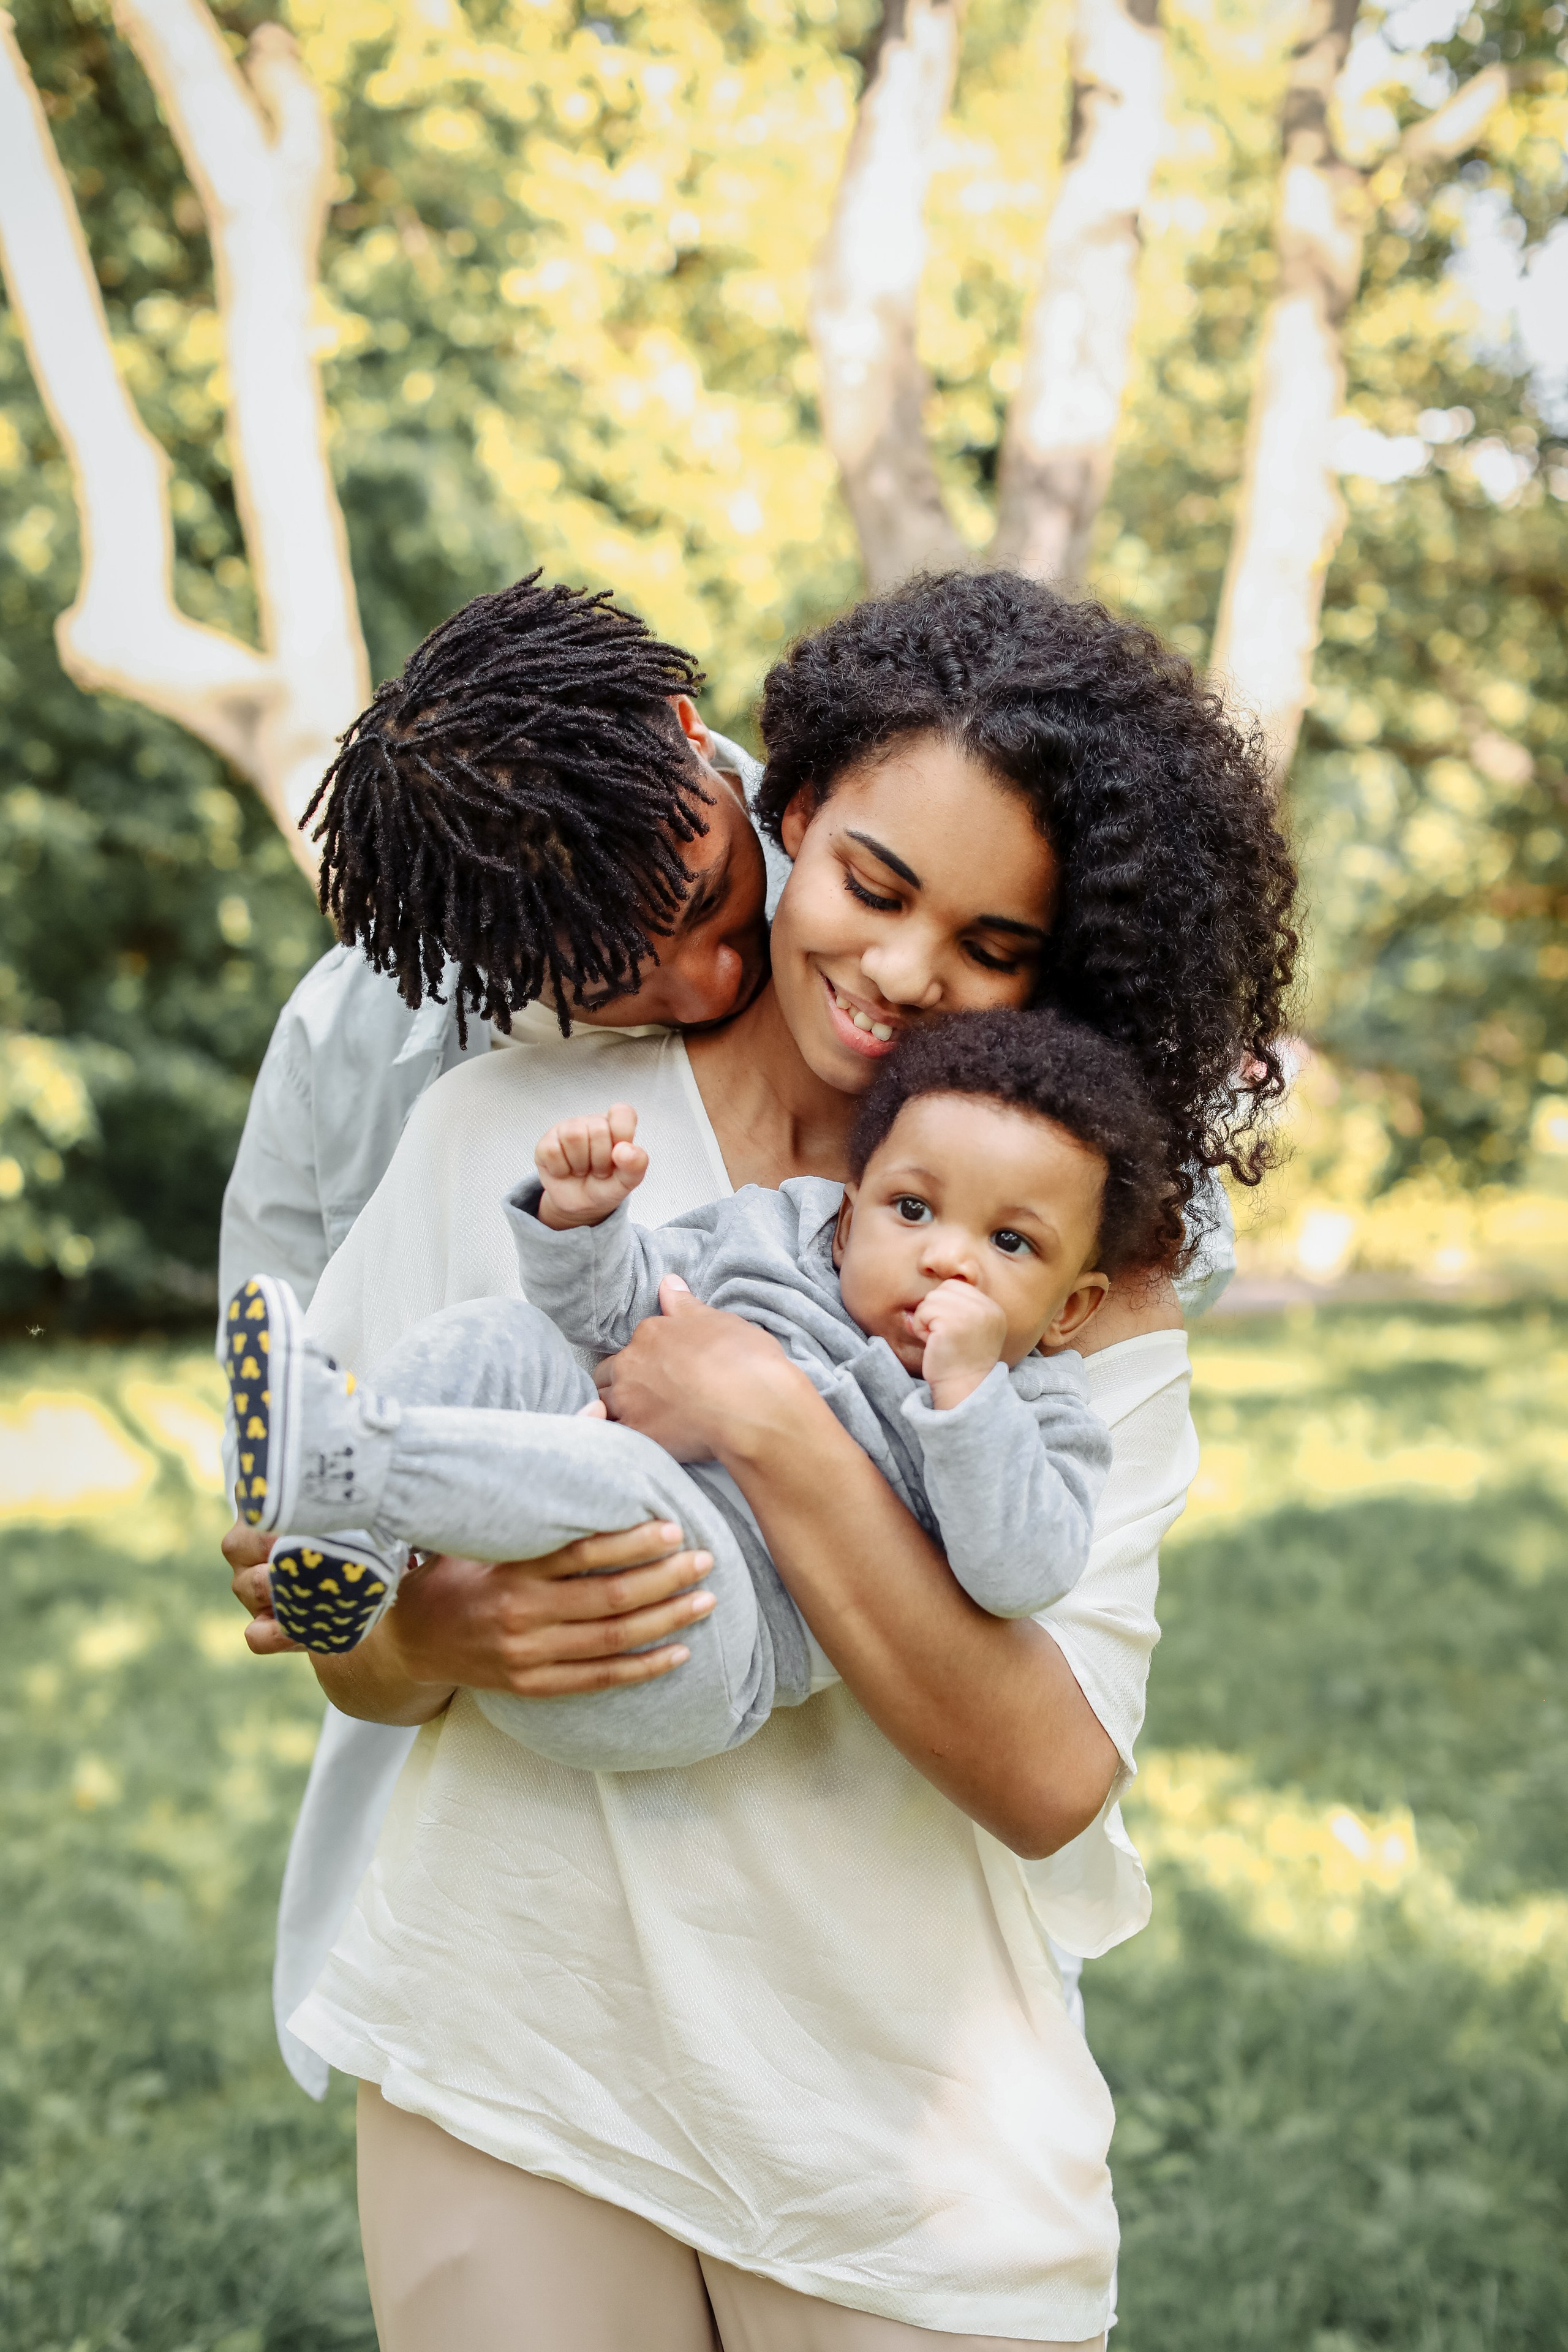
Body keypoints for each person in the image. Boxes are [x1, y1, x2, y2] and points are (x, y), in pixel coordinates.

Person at [229, 570, 1297, 2348]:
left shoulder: (1068, 1259)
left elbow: (1050, 1771)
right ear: (788, 807)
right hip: (508, 2051)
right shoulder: (503, 1133)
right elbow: (348, 1636)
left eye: (992, 945)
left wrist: (770, 1418)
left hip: (890, 2138)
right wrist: (429, 1637)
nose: (903, 970)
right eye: (871, 885)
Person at [225, 1011, 1171, 1773]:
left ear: (1068, 1310)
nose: (946, 1258)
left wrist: (967, 1394)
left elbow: (1020, 1574)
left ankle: (344, 1454)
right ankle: (349, 1543)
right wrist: (581, 1223)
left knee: (620, 1474)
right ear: (849, 1216)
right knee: (504, 1336)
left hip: (697, 1644)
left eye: (1010, 1243)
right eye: (913, 1208)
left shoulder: (1038, 1412)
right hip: (523, 1588)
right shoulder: (771, 1236)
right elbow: (608, 1317)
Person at [216, 571, 787, 1321]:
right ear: (478, 957)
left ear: (690, 729)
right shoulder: (338, 1049)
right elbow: (282, 1366)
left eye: (710, 898)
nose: (713, 987)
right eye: (609, 992)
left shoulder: (873, 911)